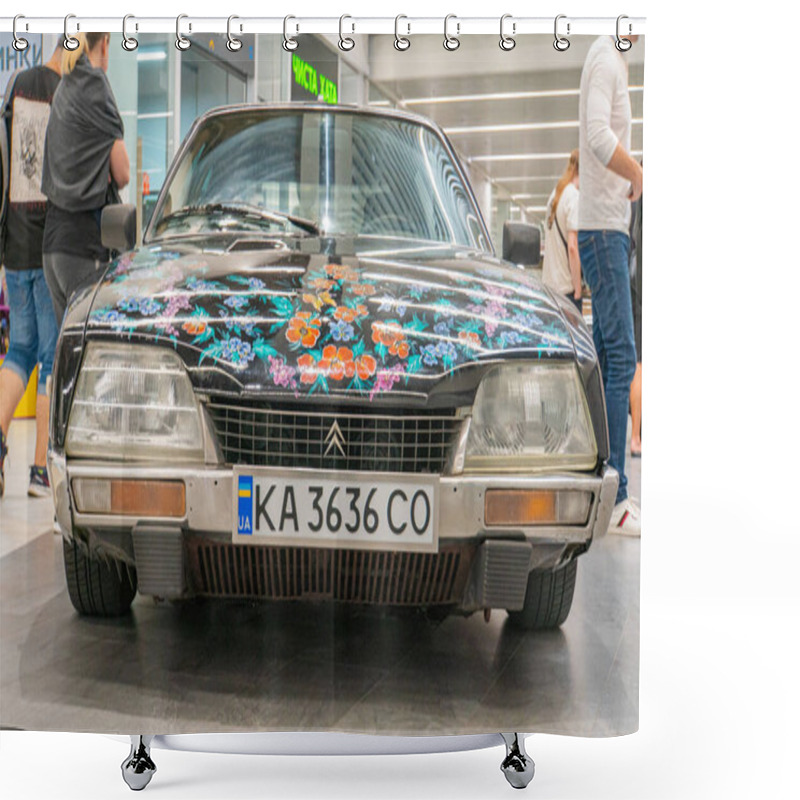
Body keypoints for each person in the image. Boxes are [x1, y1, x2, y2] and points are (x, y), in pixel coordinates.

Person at [578, 34, 643, 536]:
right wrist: (638, 170)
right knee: (621, 356)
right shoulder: (606, 58)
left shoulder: (610, 58)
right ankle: (617, 497)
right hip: (604, 229)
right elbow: (599, 136)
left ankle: (600, 484)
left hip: (605, 229)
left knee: (604, 361)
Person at [0, 44, 62, 498]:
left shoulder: (15, 86)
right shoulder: (65, 93)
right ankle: (39, 472)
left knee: (18, 351)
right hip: (48, 246)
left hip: (13, 245)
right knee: (50, 356)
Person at [41, 32, 129, 323]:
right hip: (83, 248)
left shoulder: (65, 85)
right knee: (90, 358)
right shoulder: (95, 83)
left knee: (65, 357)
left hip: (53, 246)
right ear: (104, 41)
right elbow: (124, 172)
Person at [542, 149, 582, 311]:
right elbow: (572, 247)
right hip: (565, 291)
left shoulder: (555, 194)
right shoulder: (573, 196)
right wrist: (578, 289)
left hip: (549, 288)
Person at [629, 192, 642, 458]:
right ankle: (637, 437)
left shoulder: (632, 203)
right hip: (640, 289)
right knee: (639, 365)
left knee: (638, 365)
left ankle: (636, 436)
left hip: (634, 289)